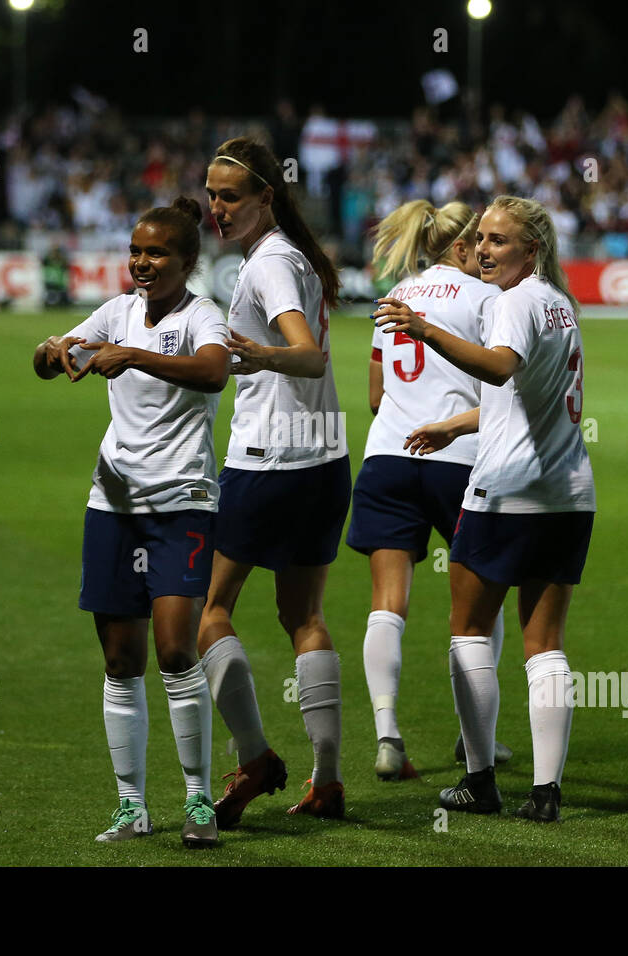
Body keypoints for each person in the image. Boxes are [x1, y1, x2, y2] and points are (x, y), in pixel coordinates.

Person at [374, 195, 595, 822]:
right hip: (568, 493)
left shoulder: (513, 302)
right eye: (482, 239)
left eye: (500, 241)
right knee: (544, 642)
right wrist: (456, 426)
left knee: (468, 630)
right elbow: (528, 399)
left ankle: (479, 779)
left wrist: (424, 328)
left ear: (532, 249)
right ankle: (547, 793)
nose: (486, 249)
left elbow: (498, 370)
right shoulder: (561, 307)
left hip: (505, 491)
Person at [32, 197, 230, 847]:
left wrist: (134, 357)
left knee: (176, 650)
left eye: (156, 253)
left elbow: (213, 372)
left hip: (182, 503)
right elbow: (65, 359)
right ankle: (130, 806)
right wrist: (52, 349)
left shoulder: (203, 316)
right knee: (121, 660)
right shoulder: (116, 311)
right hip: (112, 505)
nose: (142, 263)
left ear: (186, 261)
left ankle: (199, 800)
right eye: (136, 251)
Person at [199, 136, 350, 825]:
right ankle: (325, 781)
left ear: (265, 197)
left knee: (208, 614)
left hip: (268, 461)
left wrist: (260, 355)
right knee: (303, 617)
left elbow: (309, 357)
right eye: (211, 193)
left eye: (230, 195)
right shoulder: (292, 256)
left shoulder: (270, 265)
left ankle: (256, 756)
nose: (216, 207)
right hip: (322, 459)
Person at [346, 198, 512, 780]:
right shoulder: (489, 298)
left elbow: (373, 396)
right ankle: (476, 743)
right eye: (483, 245)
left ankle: (388, 735)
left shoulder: (395, 300)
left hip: (389, 454)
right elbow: (503, 383)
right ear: (464, 246)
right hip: (460, 458)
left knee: (386, 606)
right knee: (478, 612)